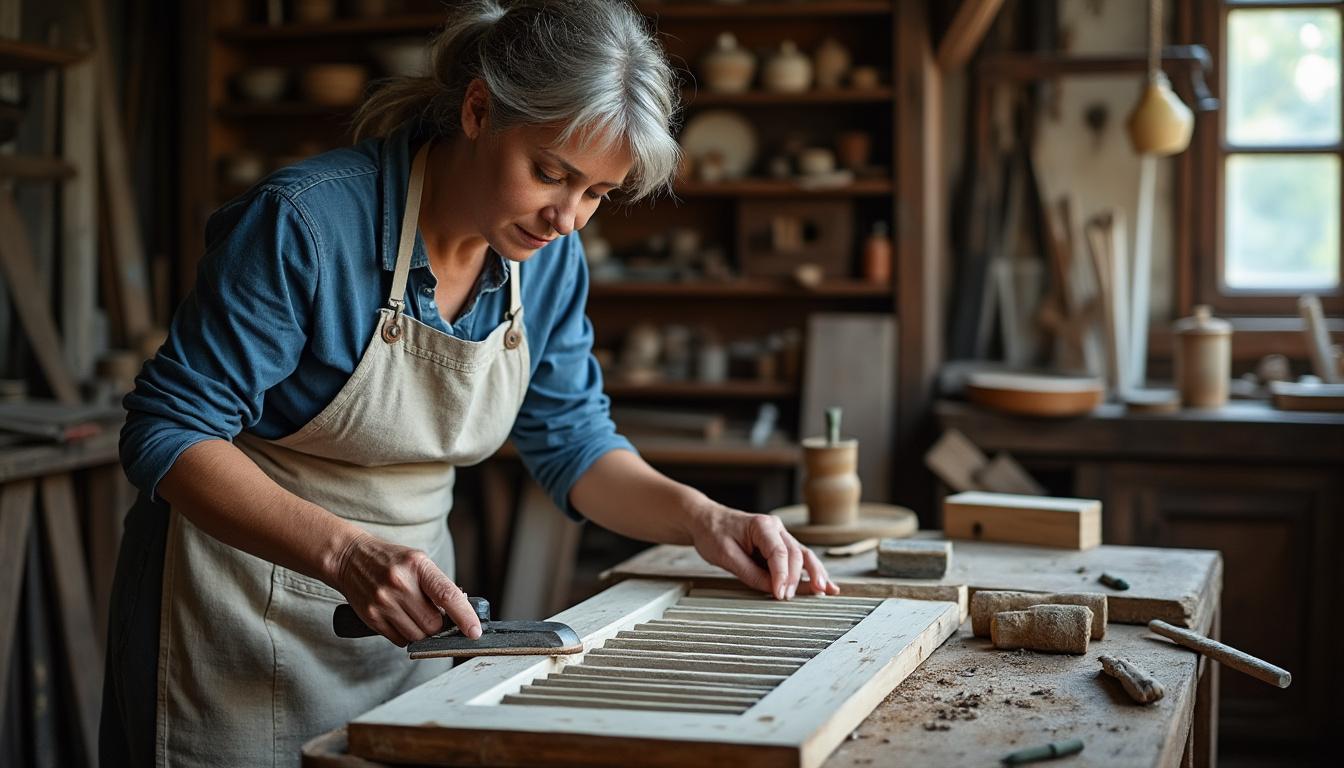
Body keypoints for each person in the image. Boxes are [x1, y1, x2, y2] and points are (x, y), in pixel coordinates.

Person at [100, 1, 838, 765]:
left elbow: (575, 444)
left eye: (597, 194)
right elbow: (167, 430)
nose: (567, 218)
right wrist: (347, 556)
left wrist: (702, 519)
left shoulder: (547, 261)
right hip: (236, 615)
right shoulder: (306, 225)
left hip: (408, 627)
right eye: (551, 173)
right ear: (479, 109)